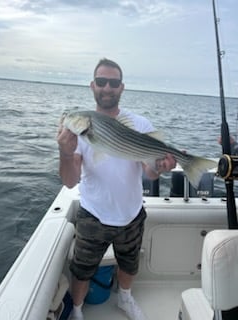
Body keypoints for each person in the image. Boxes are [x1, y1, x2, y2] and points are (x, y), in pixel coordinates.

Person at [57, 58, 177, 320]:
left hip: (131, 213)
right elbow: (69, 181)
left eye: (113, 83)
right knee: (82, 269)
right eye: (101, 82)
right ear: (93, 86)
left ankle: (125, 299)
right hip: (93, 214)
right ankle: (77, 310)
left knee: (129, 263)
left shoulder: (140, 124)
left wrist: (160, 167)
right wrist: (65, 153)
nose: (107, 88)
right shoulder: (81, 132)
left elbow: (149, 171)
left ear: (122, 87)